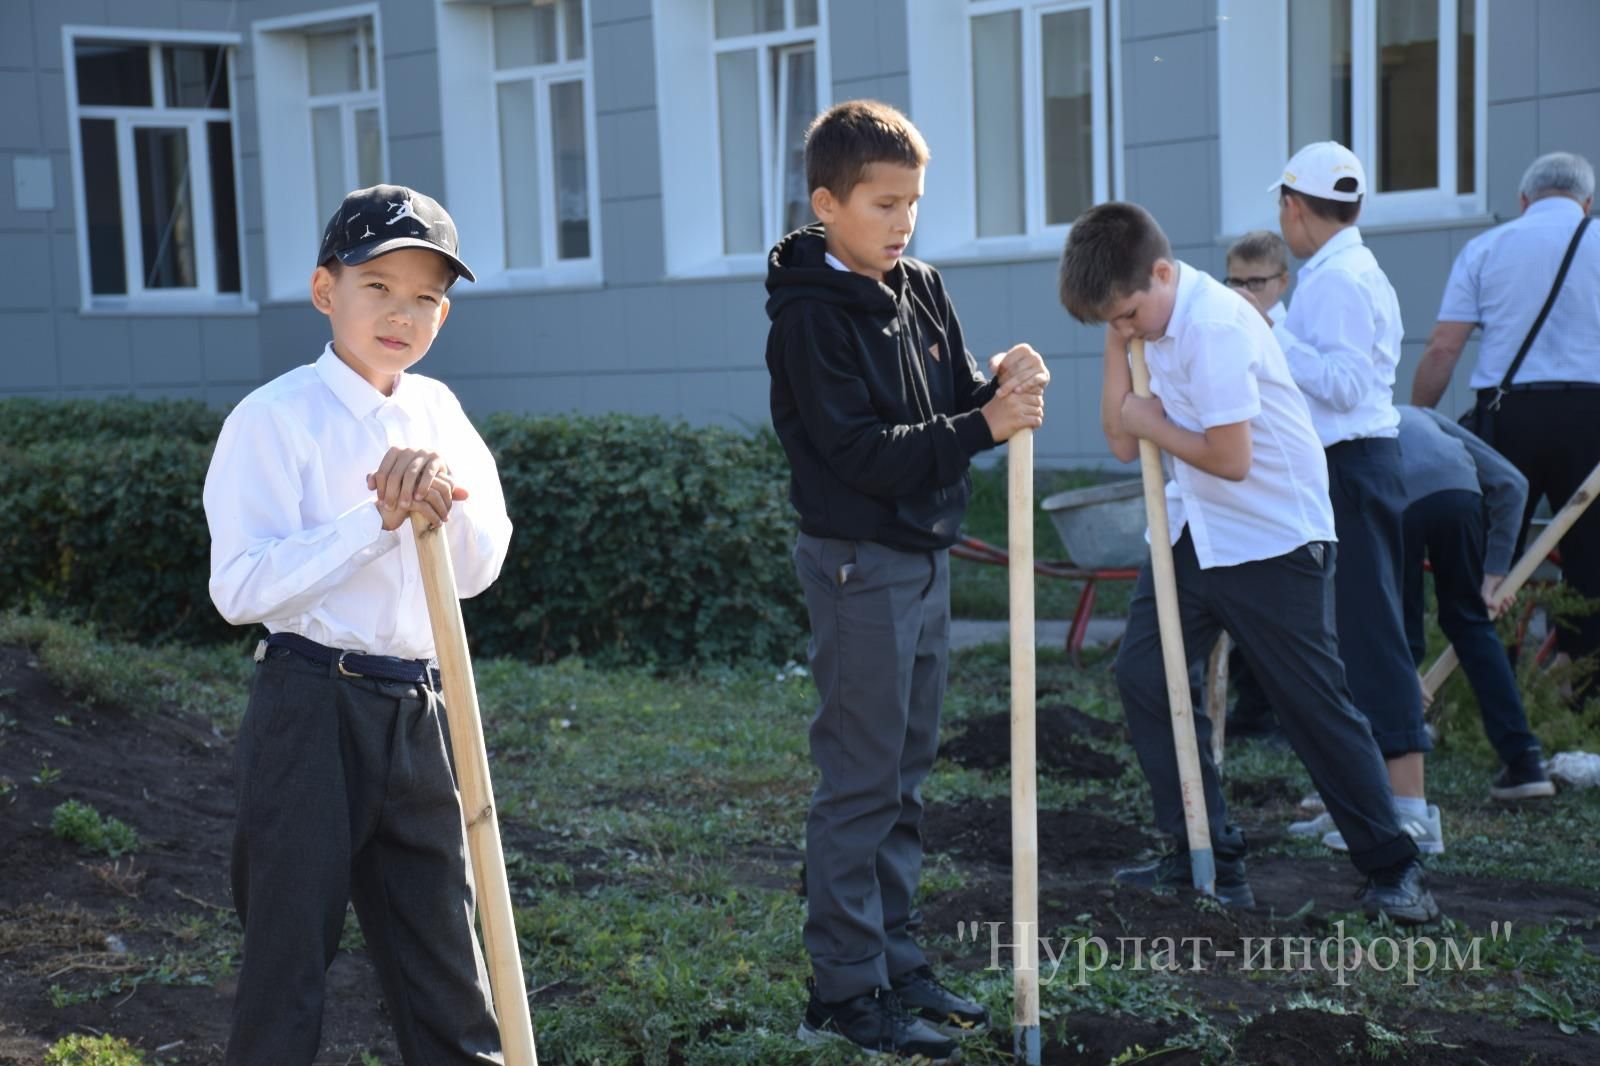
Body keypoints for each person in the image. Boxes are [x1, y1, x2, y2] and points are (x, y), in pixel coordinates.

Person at [765, 99, 1050, 1061]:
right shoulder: (810, 316)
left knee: (905, 776)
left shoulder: (918, 284)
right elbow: (859, 452)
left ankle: (894, 961)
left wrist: (998, 384)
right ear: (827, 203)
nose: (902, 223)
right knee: (859, 779)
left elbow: (954, 396)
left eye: (913, 204)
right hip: (858, 566)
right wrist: (983, 428)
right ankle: (844, 995)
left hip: (922, 559)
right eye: (883, 204)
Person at [1060, 200, 1438, 923]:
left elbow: (1230, 459)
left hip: (1274, 536)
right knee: (1145, 675)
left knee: (1311, 703)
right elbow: (1118, 441)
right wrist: (1118, 341)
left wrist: (1152, 422)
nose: (1125, 330)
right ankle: (1202, 848)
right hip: (1194, 532)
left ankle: (1396, 866)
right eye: (1110, 321)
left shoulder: (1217, 326)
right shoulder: (1140, 322)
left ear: (1164, 273)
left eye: (1129, 314)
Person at [204, 185, 513, 1066]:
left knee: (447, 970)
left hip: (419, 709)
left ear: (443, 315)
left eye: (424, 298)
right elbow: (239, 586)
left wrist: (440, 507)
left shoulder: (439, 414)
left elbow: (480, 567)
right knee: (287, 963)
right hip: (310, 706)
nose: (400, 313)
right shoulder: (273, 419)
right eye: (377, 286)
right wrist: (372, 519)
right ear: (323, 289)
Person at [1270, 142, 1441, 852]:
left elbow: (1341, 385)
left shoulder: (1336, 280)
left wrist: (1274, 331)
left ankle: (1408, 813)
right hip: (1357, 463)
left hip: (1353, 462)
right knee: (1354, 632)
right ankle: (1370, 798)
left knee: (1371, 634)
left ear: (1293, 207)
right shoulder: (1345, 270)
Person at [1412, 151, 1600, 708]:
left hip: (1508, 418)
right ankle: (1584, 702)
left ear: (1523, 200)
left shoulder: (1487, 248)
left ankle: (1482, 691)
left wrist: (1419, 420)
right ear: (1587, 203)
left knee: (1492, 559)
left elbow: (1445, 347)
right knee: (1593, 566)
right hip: (1594, 420)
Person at [1219, 229, 1295, 740]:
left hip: (1281, 490)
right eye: (1235, 280)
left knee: (1282, 619)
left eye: (1257, 281)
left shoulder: (1288, 335)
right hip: (1238, 487)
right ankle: (1250, 711)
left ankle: (1275, 715)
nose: (1245, 292)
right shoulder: (1224, 327)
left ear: (1281, 283)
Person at [1224, 229, 1292, 326]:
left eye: (1255, 282)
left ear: (1282, 282)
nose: (1244, 291)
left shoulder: (1293, 333)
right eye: (1236, 282)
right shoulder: (1223, 325)